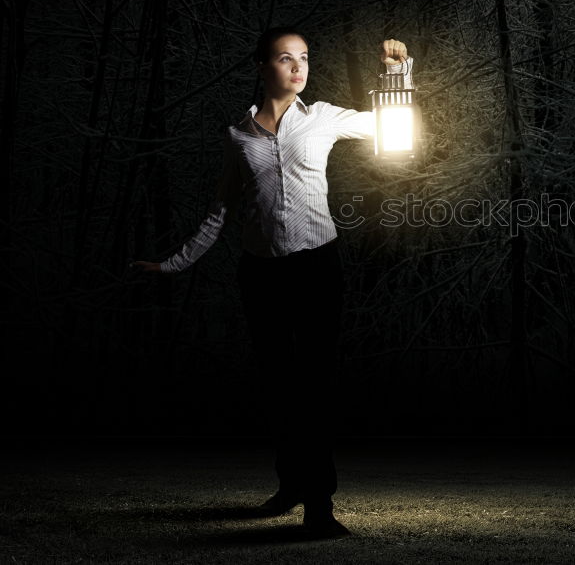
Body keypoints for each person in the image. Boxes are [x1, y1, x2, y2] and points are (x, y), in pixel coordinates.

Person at [133, 28, 412, 538]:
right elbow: (219, 212)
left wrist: (395, 75)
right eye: (286, 59)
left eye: (304, 58)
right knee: (280, 386)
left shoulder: (323, 117)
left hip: (316, 269)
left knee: (316, 386)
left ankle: (319, 507)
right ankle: (290, 485)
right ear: (263, 67)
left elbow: (392, 126)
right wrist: (172, 264)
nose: (299, 68)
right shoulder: (239, 136)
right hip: (261, 274)